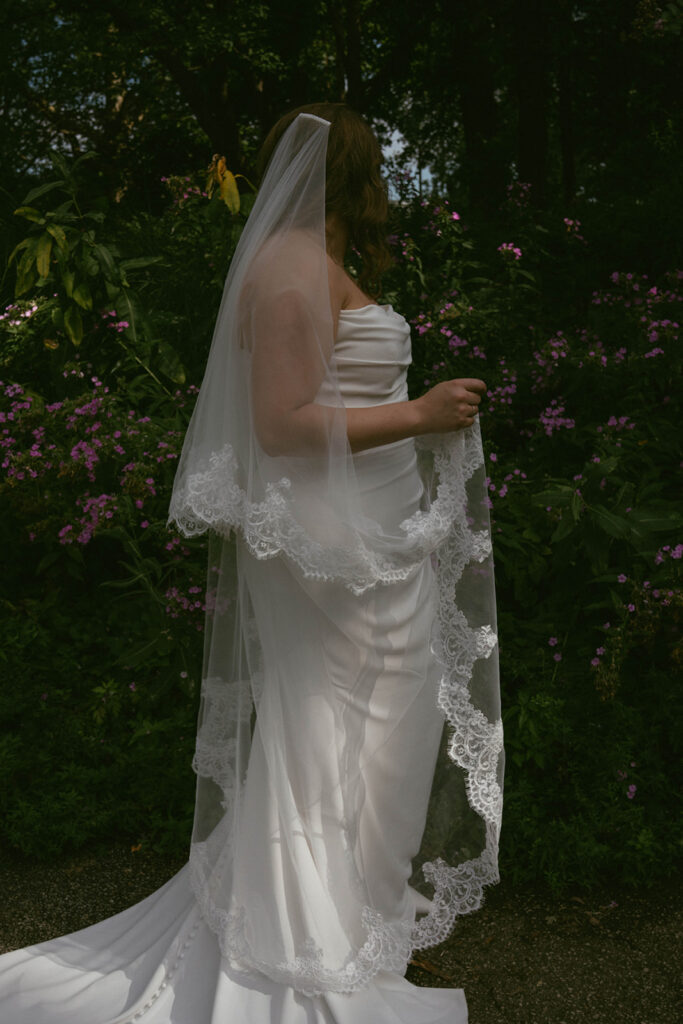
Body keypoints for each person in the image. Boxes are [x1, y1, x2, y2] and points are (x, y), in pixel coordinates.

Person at [0, 103, 503, 1023]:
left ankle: (350, 916)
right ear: (349, 176)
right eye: (374, 170)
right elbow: (281, 424)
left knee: (358, 727)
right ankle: (310, 937)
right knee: (332, 727)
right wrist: (423, 414)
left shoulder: (305, 262)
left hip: (365, 529)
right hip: (337, 543)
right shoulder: (289, 273)